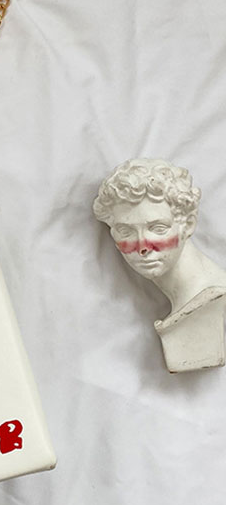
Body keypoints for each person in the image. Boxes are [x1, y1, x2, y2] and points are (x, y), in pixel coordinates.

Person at [93, 158, 226, 372]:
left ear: (188, 224)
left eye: (158, 228)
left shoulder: (208, 300)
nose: (143, 247)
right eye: (126, 231)